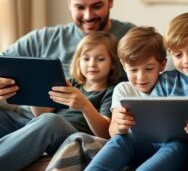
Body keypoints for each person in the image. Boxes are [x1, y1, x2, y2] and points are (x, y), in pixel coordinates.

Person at [86, 13, 188, 170]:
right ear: (170, 54)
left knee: (175, 145)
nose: (187, 60)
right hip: (155, 145)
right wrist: (122, 125)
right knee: (121, 140)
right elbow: (150, 121)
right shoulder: (166, 80)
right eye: (178, 54)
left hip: (187, 149)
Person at [0, 0, 135, 102]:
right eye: (80, 7)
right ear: (69, 3)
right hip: (18, 115)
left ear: (110, 0)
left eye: (97, 6)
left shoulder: (132, 38)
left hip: (66, 121)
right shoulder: (44, 38)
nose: (88, 16)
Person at [0, 31, 121, 170]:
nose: (92, 64)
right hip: (51, 133)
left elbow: (105, 132)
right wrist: (35, 92)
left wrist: (85, 106)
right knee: (45, 120)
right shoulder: (72, 83)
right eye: (86, 59)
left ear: (112, 63)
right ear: (78, 61)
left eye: (100, 59)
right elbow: (40, 115)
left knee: (52, 121)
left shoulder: (111, 91)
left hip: (73, 134)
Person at [85, 26, 188, 171]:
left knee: (177, 146)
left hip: (170, 147)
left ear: (162, 65)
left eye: (148, 69)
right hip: (136, 146)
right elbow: (113, 130)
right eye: (133, 70)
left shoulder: (173, 83)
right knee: (120, 139)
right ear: (123, 66)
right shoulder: (123, 89)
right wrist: (119, 126)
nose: (141, 77)